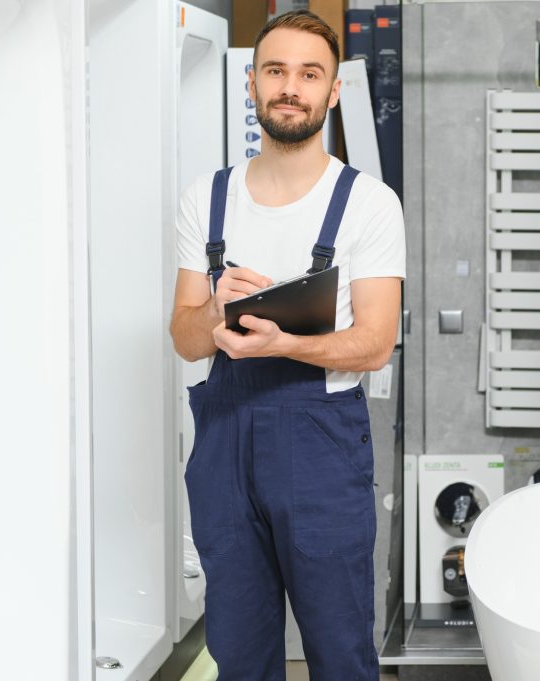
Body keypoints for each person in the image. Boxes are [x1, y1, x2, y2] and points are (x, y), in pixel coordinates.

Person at [169, 10, 405, 681]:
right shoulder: (206, 199)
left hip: (322, 453)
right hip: (224, 449)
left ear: (332, 91)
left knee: (340, 653)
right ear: (252, 83)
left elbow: (374, 343)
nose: (290, 87)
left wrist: (283, 342)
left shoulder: (368, 203)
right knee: (239, 656)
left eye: (309, 74)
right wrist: (213, 308)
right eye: (276, 71)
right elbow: (186, 339)